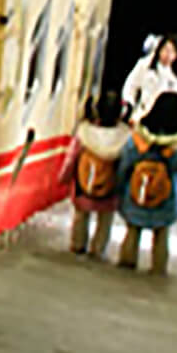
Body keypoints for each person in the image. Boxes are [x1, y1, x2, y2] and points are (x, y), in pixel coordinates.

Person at [117, 92, 177, 274]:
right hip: (166, 198)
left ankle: (127, 261)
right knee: (161, 235)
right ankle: (158, 268)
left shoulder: (139, 137)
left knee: (133, 230)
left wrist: (120, 186)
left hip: (136, 193)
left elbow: (126, 161)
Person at [58, 90, 131, 259]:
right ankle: (98, 249)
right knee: (105, 219)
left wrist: (64, 177)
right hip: (110, 187)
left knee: (81, 215)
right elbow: (126, 163)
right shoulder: (124, 136)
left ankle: (78, 244)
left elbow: (72, 158)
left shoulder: (84, 132)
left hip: (84, 184)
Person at [122, 34, 177, 125]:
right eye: (166, 50)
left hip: (172, 119)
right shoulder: (145, 64)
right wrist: (129, 104)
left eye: (172, 51)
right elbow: (130, 85)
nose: (168, 55)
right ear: (159, 49)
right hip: (144, 114)